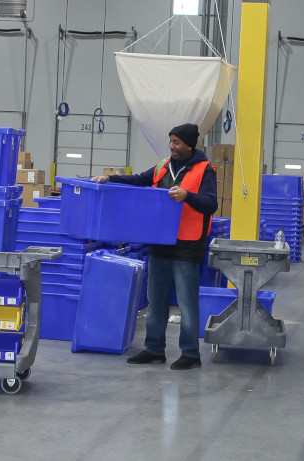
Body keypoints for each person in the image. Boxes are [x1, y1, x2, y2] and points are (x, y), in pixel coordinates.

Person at [93, 123, 218, 370]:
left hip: (187, 245)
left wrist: (187, 196)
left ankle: (191, 354)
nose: (172, 146)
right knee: (156, 301)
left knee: (186, 303)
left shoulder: (206, 170)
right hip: (160, 242)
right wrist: (110, 178)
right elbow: (139, 180)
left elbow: (210, 204)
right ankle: (154, 350)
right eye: (170, 141)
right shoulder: (163, 166)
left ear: (189, 145)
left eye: (177, 142)